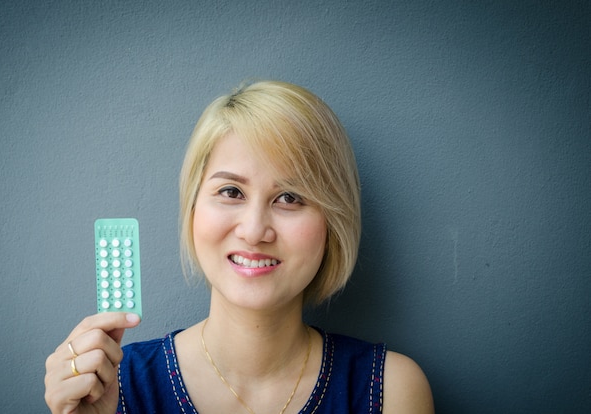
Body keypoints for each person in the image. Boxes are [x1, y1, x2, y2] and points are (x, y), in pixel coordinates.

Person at [44, 80, 434, 413]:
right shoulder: (114, 387)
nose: (254, 230)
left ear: (334, 222)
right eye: (231, 191)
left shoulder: (390, 393)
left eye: (290, 198)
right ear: (193, 209)